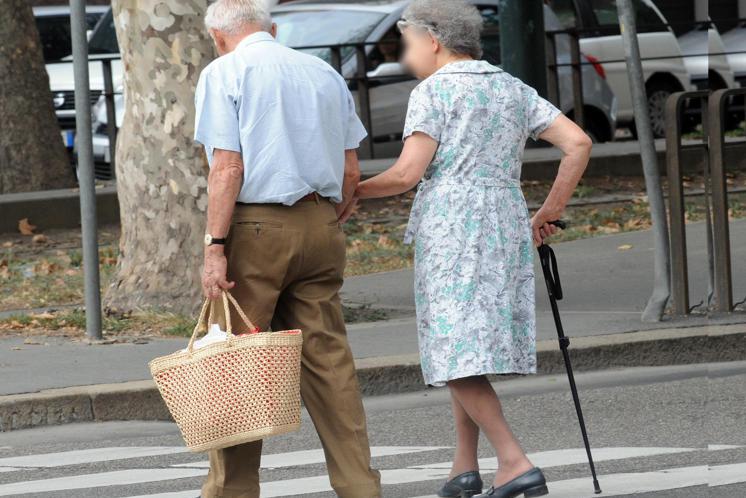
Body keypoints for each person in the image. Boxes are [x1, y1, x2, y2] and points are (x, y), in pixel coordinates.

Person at [351, 0, 592, 497]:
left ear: (433, 40)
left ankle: (513, 460)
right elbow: (579, 143)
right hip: (504, 219)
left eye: (408, 41)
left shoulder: (432, 92)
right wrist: (549, 210)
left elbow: (405, 174)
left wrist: (351, 189)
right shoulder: (508, 86)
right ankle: (464, 467)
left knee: (453, 349)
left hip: (454, 227)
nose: (405, 52)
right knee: (465, 348)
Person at [194, 1, 382, 497]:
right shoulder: (321, 71)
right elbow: (350, 171)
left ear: (218, 36)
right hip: (319, 221)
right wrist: (329, 214)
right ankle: (360, 486)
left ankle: (231, 492)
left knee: (236, 364)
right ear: (273, 30)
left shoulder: (224, 71)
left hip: (256, 226)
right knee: (329, 362)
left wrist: (215, 246)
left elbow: (227, 168)